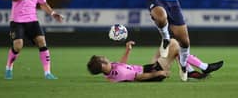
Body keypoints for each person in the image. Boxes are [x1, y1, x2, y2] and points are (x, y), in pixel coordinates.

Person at [0, 0, 64, 80]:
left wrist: (53, 13)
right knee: (18, 45)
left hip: (32, 20)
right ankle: (9, 68)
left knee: (42, 42)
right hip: (17, 20)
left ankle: (47, 73)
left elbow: (43, 4)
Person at [87, 39, 223, 82]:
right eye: (103, 58)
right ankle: (204, 67)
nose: (106, 57)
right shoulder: (120, 73)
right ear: (102, 64)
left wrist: (127, 50)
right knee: (174, 45)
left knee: (167, 46)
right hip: (152, 72)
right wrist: (158, 74)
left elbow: (122, 64)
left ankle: (190, 72)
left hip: (148, 67)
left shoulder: (110, 73)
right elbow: (139, 77)